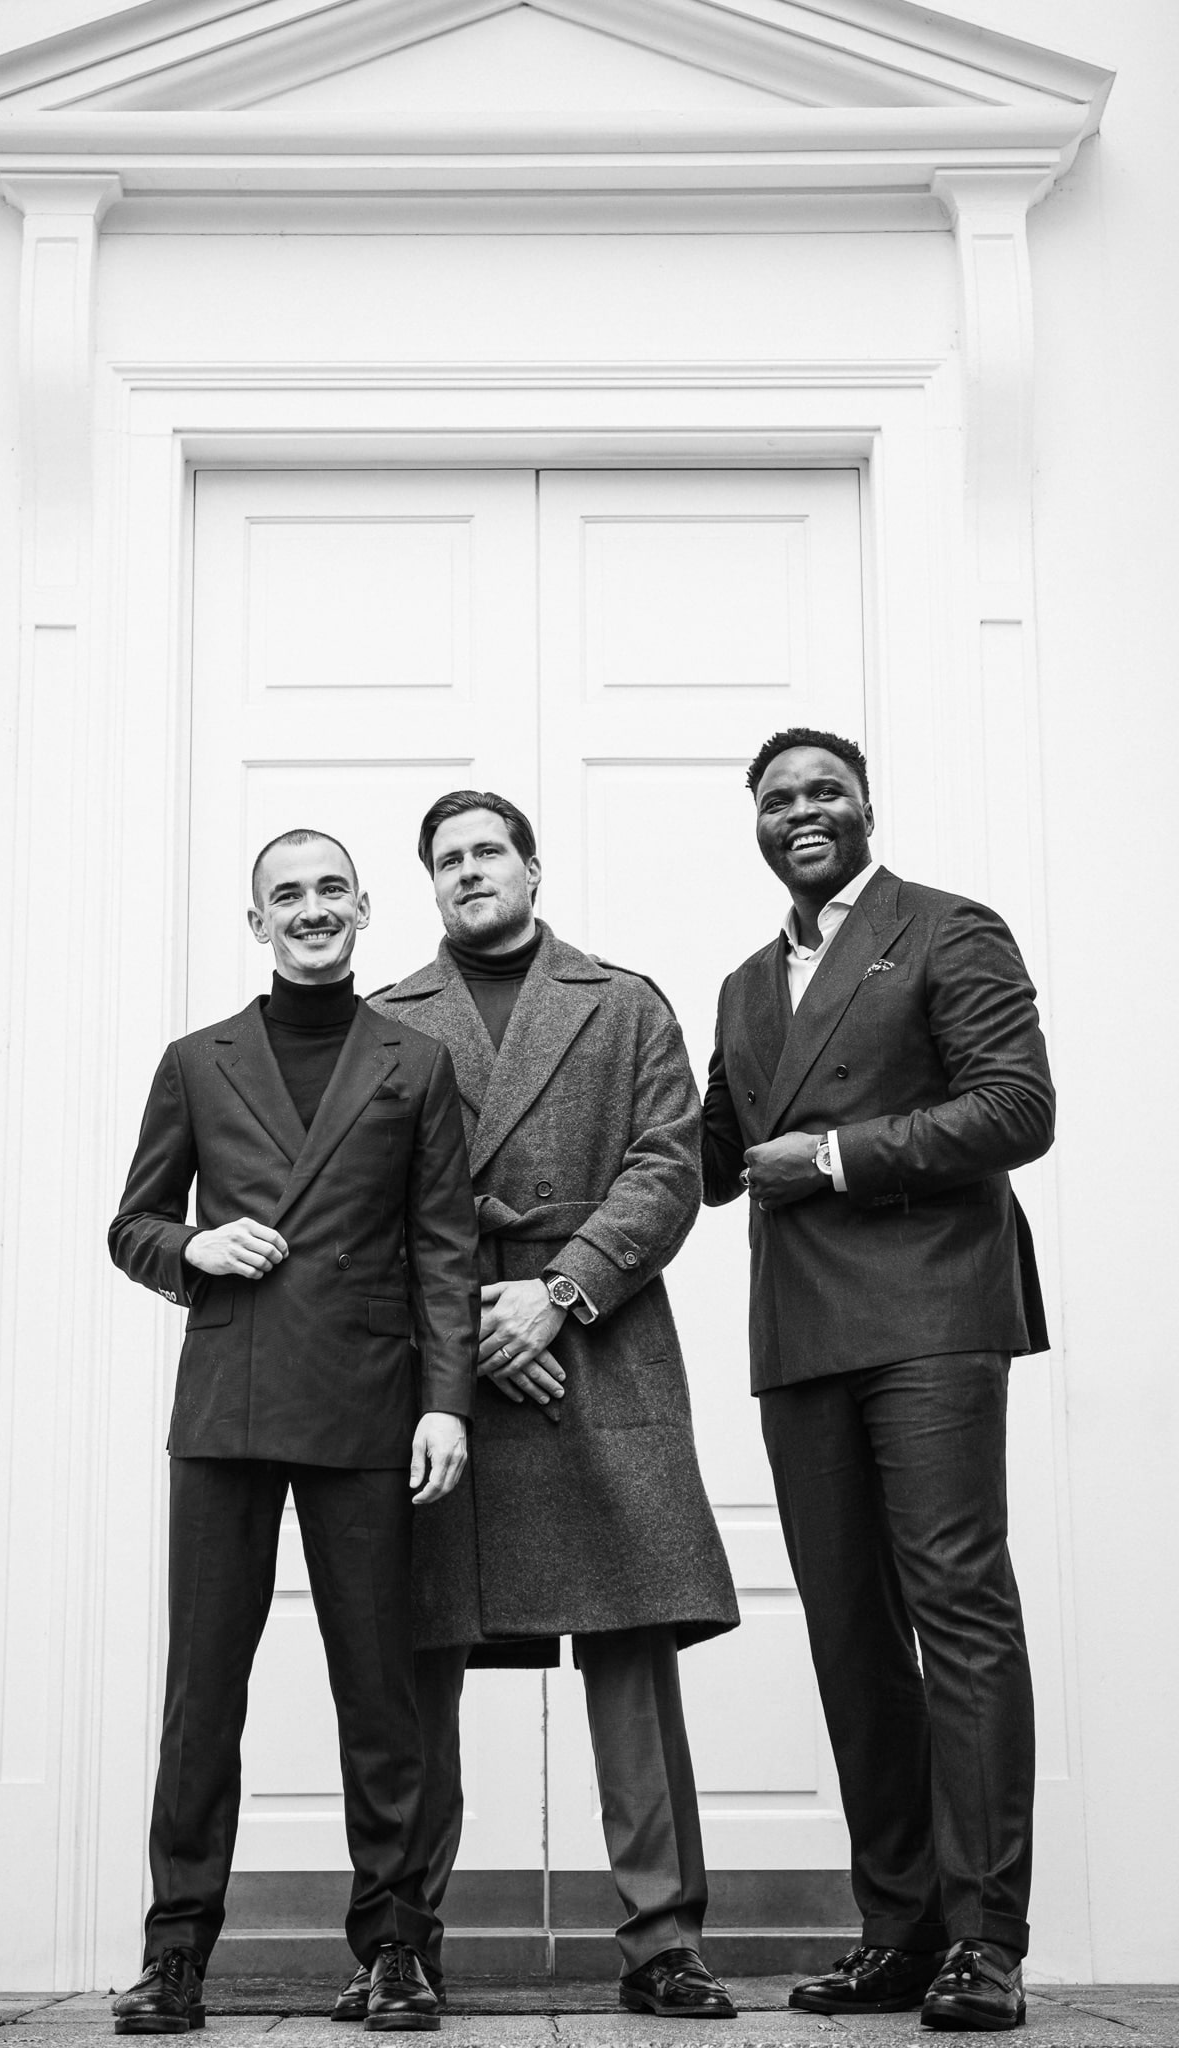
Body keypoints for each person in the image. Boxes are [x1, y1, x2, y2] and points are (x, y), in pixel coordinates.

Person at [347, 789, 741, 2023]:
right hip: (442, 1366)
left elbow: (668, 1166)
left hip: (601, 1350)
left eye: (488, 852)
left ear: (532, 867)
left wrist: (558, 1292)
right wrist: (479, 1322)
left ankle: (663, 1940)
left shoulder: (621, 1003)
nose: (469, 871)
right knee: (420, 1656)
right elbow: (361, 1199)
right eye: (447, 859)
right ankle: (401, 1938)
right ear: (430, 884)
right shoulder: (382, 1019)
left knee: (630, 1646)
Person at [701, 729, 1055, 2033]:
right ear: (754, 823)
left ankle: (985, 1941)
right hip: (800, 1334)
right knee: (849, 1634)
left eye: (823, 792)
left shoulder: (946, 929)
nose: (800, 811)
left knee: (956, 1611)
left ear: (863, 808)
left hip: (929, 1314)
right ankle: (898, 1929)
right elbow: (705, 1153)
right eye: (776, 798)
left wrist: (834, 1156)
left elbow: (1016, 1107)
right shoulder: (743, 985)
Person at [107, 829, 478, 2036]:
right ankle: (174, 1954)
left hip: (368, 1402)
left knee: (379, 1688)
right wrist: (193, 1246)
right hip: (227, 1402)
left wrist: (445, 1399)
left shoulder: (415, 1062)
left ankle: (394, 1949)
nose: (310, 907)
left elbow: (444, 1246)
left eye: (329, 888)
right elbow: (132, 1224)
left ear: (362, 907)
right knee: (202, 1690)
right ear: (255, 920)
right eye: (286, 894)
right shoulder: (195, 1060)